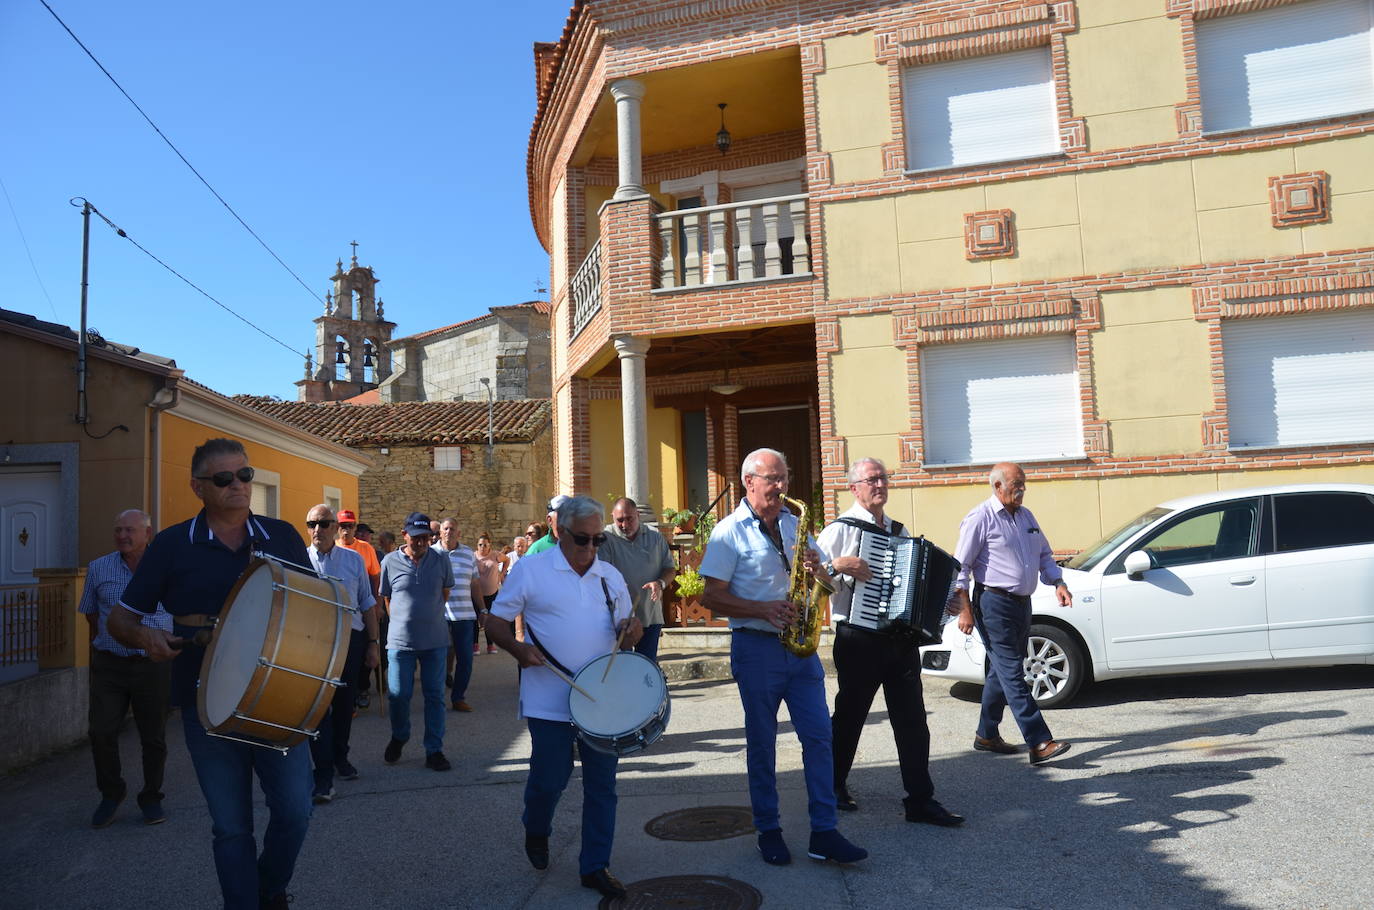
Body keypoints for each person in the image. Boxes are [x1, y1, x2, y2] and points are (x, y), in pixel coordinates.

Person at [110, 437, 313, 910]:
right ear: (198, 487)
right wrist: (145, 638)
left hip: (279, 696)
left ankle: (268, 889)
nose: (239, 485)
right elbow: (121, 619)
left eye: (245, 475)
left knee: (296, 811)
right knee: (231, 825)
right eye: (224, 479)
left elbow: (312, 609)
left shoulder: (280, 535)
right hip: (208, 706)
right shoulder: (171, 545)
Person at [700, 448, 867, 867]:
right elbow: (710, 596)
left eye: (784, 478)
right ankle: (768, 830)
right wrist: (762, 610)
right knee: (762, 743)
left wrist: (818, 570)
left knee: (819, 738)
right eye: (772, 479)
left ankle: (824, 832)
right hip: (756, 647)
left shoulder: (796, 523)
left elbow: (825, 579)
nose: (780, 487)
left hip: (801, 647)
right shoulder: (728, 531)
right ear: (748, 482)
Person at [486, 495, 642, 900]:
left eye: (597, 540)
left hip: (601, 701)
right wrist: (520, 652)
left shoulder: (610, 576)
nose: (590, 548)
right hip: (549, 698)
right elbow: (495, 623)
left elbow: (627, 634)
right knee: (550, 779)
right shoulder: (532, 571)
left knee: (602, 785)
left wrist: (632, 629)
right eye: (582, 539)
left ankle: (594, 866)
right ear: (559, 531)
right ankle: (536, 827)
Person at [816, 458, 963, 827]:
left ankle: (920, 800)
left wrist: (944, 604)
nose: (879, 484)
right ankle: (832, 786)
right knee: (850, 717)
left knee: (912, 720)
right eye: (871, 479)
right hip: (857, 637)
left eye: (883, 478)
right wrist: (837, 566)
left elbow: (913, 583)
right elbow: (811, 580)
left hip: (898, 640)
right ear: (854, 488)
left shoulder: (898, 530)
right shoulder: (838, 530)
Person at [950, 462, 1073, 765]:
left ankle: (986, 734)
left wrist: (1057, 581)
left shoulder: (1026, 516)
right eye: (1017, 484)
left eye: (1023, 484)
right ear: (998, 486)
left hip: (1022, 603)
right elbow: (960, 568)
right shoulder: (980, 518)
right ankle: (1039, 741)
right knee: (1012, 672)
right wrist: (964, 610)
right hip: (992, 604)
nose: (1022, 490)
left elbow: (1044, 554)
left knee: (1001, 670)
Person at [79, 508, 174, 828]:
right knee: (101, 730)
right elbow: (92, 614)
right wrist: (109, 641)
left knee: (153, 737)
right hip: (111, 665)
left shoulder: (166, 569)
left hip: (153, 666)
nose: (122, 536)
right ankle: (111, 793)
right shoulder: (98, 568)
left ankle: (151, 797)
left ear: (148, 534)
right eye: (118, 530)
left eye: (130, 530)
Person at [304, 504, 380, 803]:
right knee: (318, 708)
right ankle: (322, 774)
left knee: (344, 705)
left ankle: (340, 757)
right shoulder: (300, 560)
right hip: (314, 643)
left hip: (350, 640)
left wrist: (373, 644)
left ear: (335, 527)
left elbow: (367, 602)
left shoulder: (353, 560)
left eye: (323, 524)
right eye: (311, 524)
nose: (317, 530)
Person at [378, 512, 454, 771]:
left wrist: (426, 617)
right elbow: (387, 599)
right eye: (416, 538)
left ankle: (434, 750)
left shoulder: (441, 559)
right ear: (404, 535)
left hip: (435, 642)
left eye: (426, 538)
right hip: (400, 644)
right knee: (399, 696)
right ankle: (400, 735)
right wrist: (402, 622)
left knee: (435, 697)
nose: (421, 542)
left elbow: (444, 593)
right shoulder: (389, 561)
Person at [598, 497, 675, 662]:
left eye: (629, 519)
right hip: (617, 619)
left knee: (646, 666)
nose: (625, 525)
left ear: (638, 515)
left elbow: (669, 569)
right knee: (619, 667)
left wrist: (660, 583)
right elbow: (600, 574)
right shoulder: (604, 539)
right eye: (620, 520)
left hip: (649, 614)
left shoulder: (655, 537)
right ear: (612, 517)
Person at [434, 518, 483, 712]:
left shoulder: (468, 554)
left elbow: (475, 584)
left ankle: (458, 697)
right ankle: (436, 698)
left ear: (459, 533)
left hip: (465, 617)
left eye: (452, 529)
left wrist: (483, 610)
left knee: (466, 660)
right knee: (439, 658)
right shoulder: (432, 554)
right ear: (440, 533)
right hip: (440, 617)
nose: (449, 532)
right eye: (445, 529)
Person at [336, 510, 382, 709]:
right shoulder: (333, 547)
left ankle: (362, 689)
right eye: (343, 526)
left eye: (350, 526)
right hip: (337, 614)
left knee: (364, 651)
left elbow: (375, 577)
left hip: (362, 609)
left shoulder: (365, 548)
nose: (346, 530)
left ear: (355, 527)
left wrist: (377, 606)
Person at [474, 532, 509, 653]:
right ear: (477, 546)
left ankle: (490, 645)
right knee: (476, 620)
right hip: (476, 593)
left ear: (489, 546)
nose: (482, 547)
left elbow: (507, 560)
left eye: (485, 545)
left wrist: (502, 573)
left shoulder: (495, 555)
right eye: (480, 545)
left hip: (492, 593)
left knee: (490, 620)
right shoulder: (473, 556)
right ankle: (475, 645)